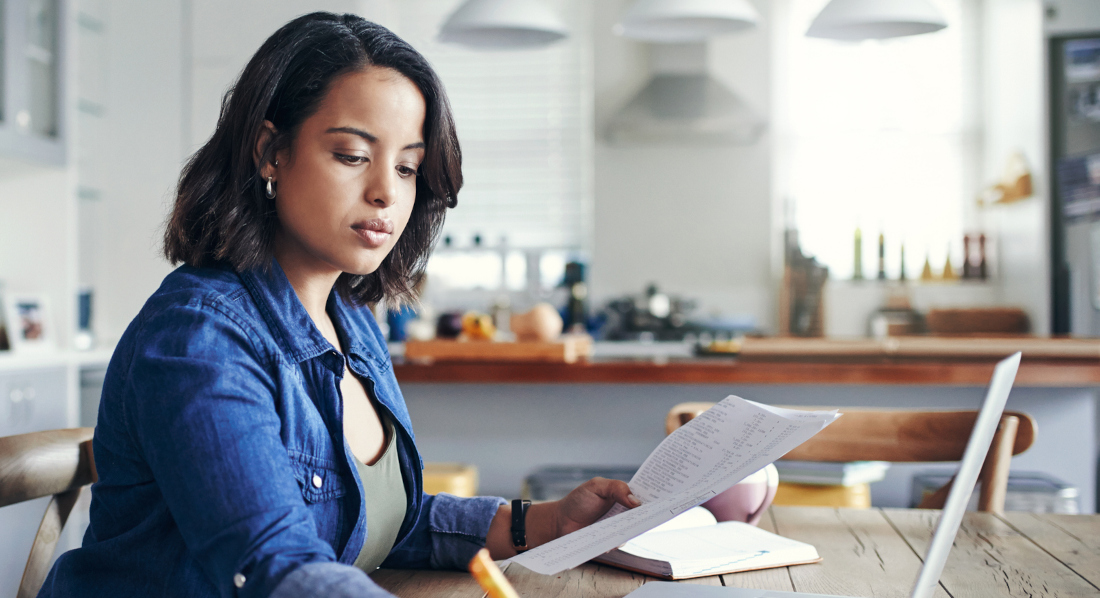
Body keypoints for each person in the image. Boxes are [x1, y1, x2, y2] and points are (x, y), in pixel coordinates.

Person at [37, 12, 638, 598]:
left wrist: (544, 521)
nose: (386, 191)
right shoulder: (199, 340)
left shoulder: (350, 319)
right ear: (271, 151)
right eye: (353, 155)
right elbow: (280, 568)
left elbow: (371, 522)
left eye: (407, 166)